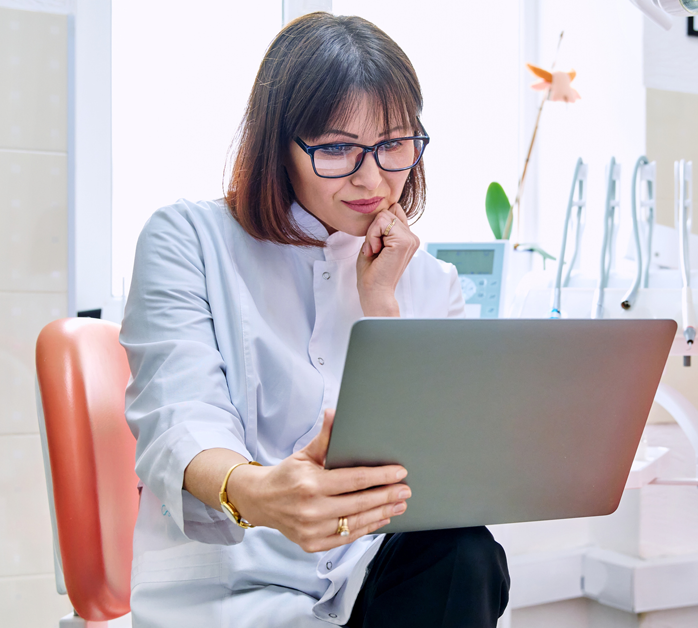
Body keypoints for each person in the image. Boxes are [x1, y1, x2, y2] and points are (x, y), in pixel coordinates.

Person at [119, 12, 510, 627]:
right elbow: (179, 418)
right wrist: (257, 494)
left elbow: (438, 468)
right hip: (231, 588)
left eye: (395, 145)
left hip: (372, 579)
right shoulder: (189, 239)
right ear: (279, 146)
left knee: (465, 552)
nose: (372, 178)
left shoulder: (430, 280)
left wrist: (383, 309)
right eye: (335, 149)